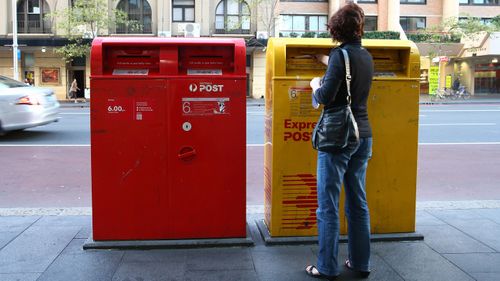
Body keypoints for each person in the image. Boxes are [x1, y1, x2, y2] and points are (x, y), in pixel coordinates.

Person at [305, 2, 373, 280]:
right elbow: (348, 74)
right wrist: (325, 60)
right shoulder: (365, 56)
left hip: (338, 138)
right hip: (363, 135)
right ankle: (360, 263)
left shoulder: (339, 55)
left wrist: (313, 84)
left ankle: (326, 266)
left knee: (328, 205)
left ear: (335, 28)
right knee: (358, 202)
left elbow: (325, 96)